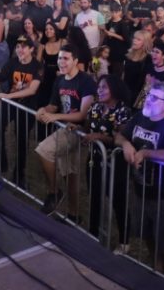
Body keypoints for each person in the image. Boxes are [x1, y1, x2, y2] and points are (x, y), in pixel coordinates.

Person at [115, 81, 164, 274]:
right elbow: (120, 136)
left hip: (163, 193)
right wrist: (127, 145)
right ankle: (156, 264)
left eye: (154, 98)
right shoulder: (140, 117)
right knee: (146, 232)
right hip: (140, 188)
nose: (148, 100)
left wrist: (146, 154)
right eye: (148, 95)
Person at [34, 45, 97, 220]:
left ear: (76, 61)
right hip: (65, 128)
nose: (61, 62)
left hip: (78, 130)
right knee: (70, 173)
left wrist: (55, 117)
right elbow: (53, 105)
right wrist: (43, 109)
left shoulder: (86, 81)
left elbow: (83, 114)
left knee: (44, 150)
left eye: (66, 58)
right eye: (60, 58)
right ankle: (73, 215)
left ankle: (54, 192)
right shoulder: (60, 80)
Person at [76, 75, 133, 245]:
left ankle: (124, 241)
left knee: (118, 201)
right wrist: (78, 128)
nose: (100, 91)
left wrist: (100, 137)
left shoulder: (123, 111)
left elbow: (121, 138)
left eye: (104, 87)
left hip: (115, 163)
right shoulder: (95, 107)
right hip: (94, 159)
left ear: (115, 90)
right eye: (99, 87)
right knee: (94, 197)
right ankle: (93, 235)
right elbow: (87, 127)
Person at [0, 35, 43, 187]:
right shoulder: (12, 62)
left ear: (31, 49)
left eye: (23, 47)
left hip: (27, 107)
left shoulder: (37, 66)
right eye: (17, 47)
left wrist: (8, 95)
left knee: (22, 138)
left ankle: (19, 172)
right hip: (10, 102)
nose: (20, 50)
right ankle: (1, 161)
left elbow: (32, 90)